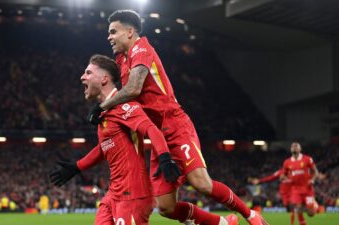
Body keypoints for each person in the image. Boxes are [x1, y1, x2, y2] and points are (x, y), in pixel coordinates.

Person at [88, 9, 267, 225]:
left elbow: (134, 88)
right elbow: (111, 81)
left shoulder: (141, 48)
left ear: (130, 32)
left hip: (175, 125)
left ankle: (251, 215)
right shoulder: (121, 59)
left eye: (113, 31)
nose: (109, 37)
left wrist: (103, 107)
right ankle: (223, 223)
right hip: (157, 137)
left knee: (201, 184)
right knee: (166, 208)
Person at [49, 54, 235, 224]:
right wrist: (76, 167)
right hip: (114, 195)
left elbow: (152, 130)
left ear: (104, 79)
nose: (82, 77)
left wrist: (164, 158)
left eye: (88, 72)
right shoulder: (104, 113)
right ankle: (223, 223)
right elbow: (104, 147)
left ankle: (224, 222)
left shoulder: (124, 106)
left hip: (132, 195)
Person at [282, 142, 319, 225]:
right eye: (293, 147)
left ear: (300, 149)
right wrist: (285, 178)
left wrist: (312, 179)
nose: (294, 148)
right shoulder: (287, 162)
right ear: (291, 149)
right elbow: (284, 175)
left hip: (307, 189)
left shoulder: (307, 159)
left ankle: (315, 205)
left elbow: (315, 171)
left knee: (311, 214)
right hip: (296, 190)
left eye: (296, 146)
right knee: (298, 209)